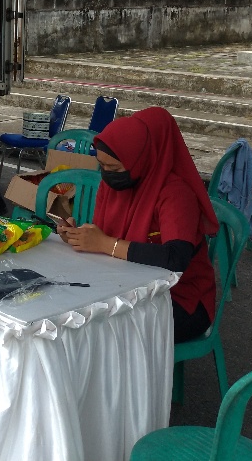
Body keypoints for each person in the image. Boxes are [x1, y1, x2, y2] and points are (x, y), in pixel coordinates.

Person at [58, 107, 218, 343]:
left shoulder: (176, 193)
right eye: (102, 166)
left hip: (178, 298)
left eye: (114, 169)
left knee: (100, 331)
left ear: (140, 159)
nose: (107, 175)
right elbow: (104, 239)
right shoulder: (114, 186)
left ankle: (124, 380)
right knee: (67, 312)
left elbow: (176, 258)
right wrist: (79, 235)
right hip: (125, 286)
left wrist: (104, 243)